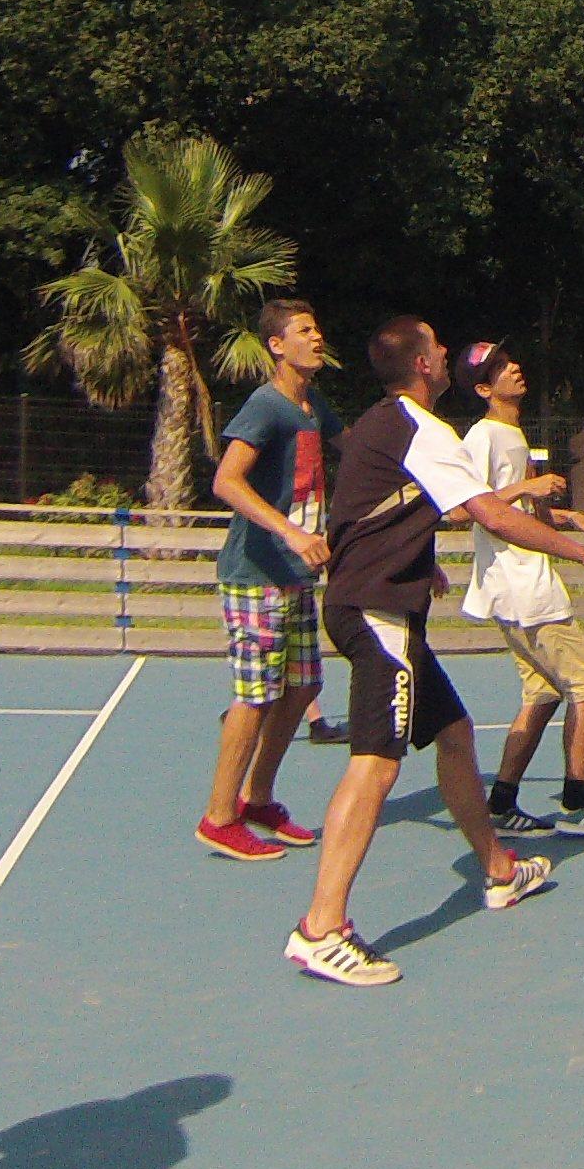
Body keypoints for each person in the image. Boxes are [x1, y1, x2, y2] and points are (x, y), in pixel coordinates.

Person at [285, 314, 584, 988]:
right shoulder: (421, 428)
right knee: (376, 766)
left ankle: (498, 870)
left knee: (456, 735)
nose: (444, 353)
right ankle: (321, 928)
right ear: (422, 365)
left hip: (380, 607)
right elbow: (492, 515)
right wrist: (583, 551)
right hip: (376, 615)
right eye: (437, 346)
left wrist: (418, 559)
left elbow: (379, 509)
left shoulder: (383, 426)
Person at [454, 342, 584, 842]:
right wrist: (525, 490)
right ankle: (578, 801)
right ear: (483, 389)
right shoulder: (483, 436)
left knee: (541, 694)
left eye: (511, 362)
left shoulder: (511, 434)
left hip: (526, 584)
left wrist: (567, 517)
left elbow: (516, 512)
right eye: (498, 369)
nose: (513, 368)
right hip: (520, 588)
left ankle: (503, 802)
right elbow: (457, 508)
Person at [197, 296, 334, 860]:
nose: (317, 336)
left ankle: (258, 798)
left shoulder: (314, 408)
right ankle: (219, 816)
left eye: (317, 326)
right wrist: (292, 533)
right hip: (256, 575)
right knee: (255, 696)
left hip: (296, 577)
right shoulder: (265, 406)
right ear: (278, 345)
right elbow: (226, 482)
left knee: (304, 687)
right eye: (304, 329)